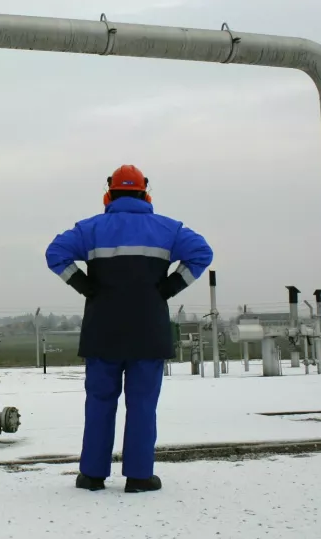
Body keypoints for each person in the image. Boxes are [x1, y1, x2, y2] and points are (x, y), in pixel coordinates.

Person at [45, 164, 213, 493]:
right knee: (142, 405)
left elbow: (56, 253)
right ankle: (138, 477)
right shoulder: (170, 230)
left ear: (108, 194)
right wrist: (169, 288)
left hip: (102, 330)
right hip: (148, 332)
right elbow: (201, 253)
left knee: (99, 403)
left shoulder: (89, 229)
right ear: (145, 194)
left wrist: (84, 285)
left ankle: (92, 475)